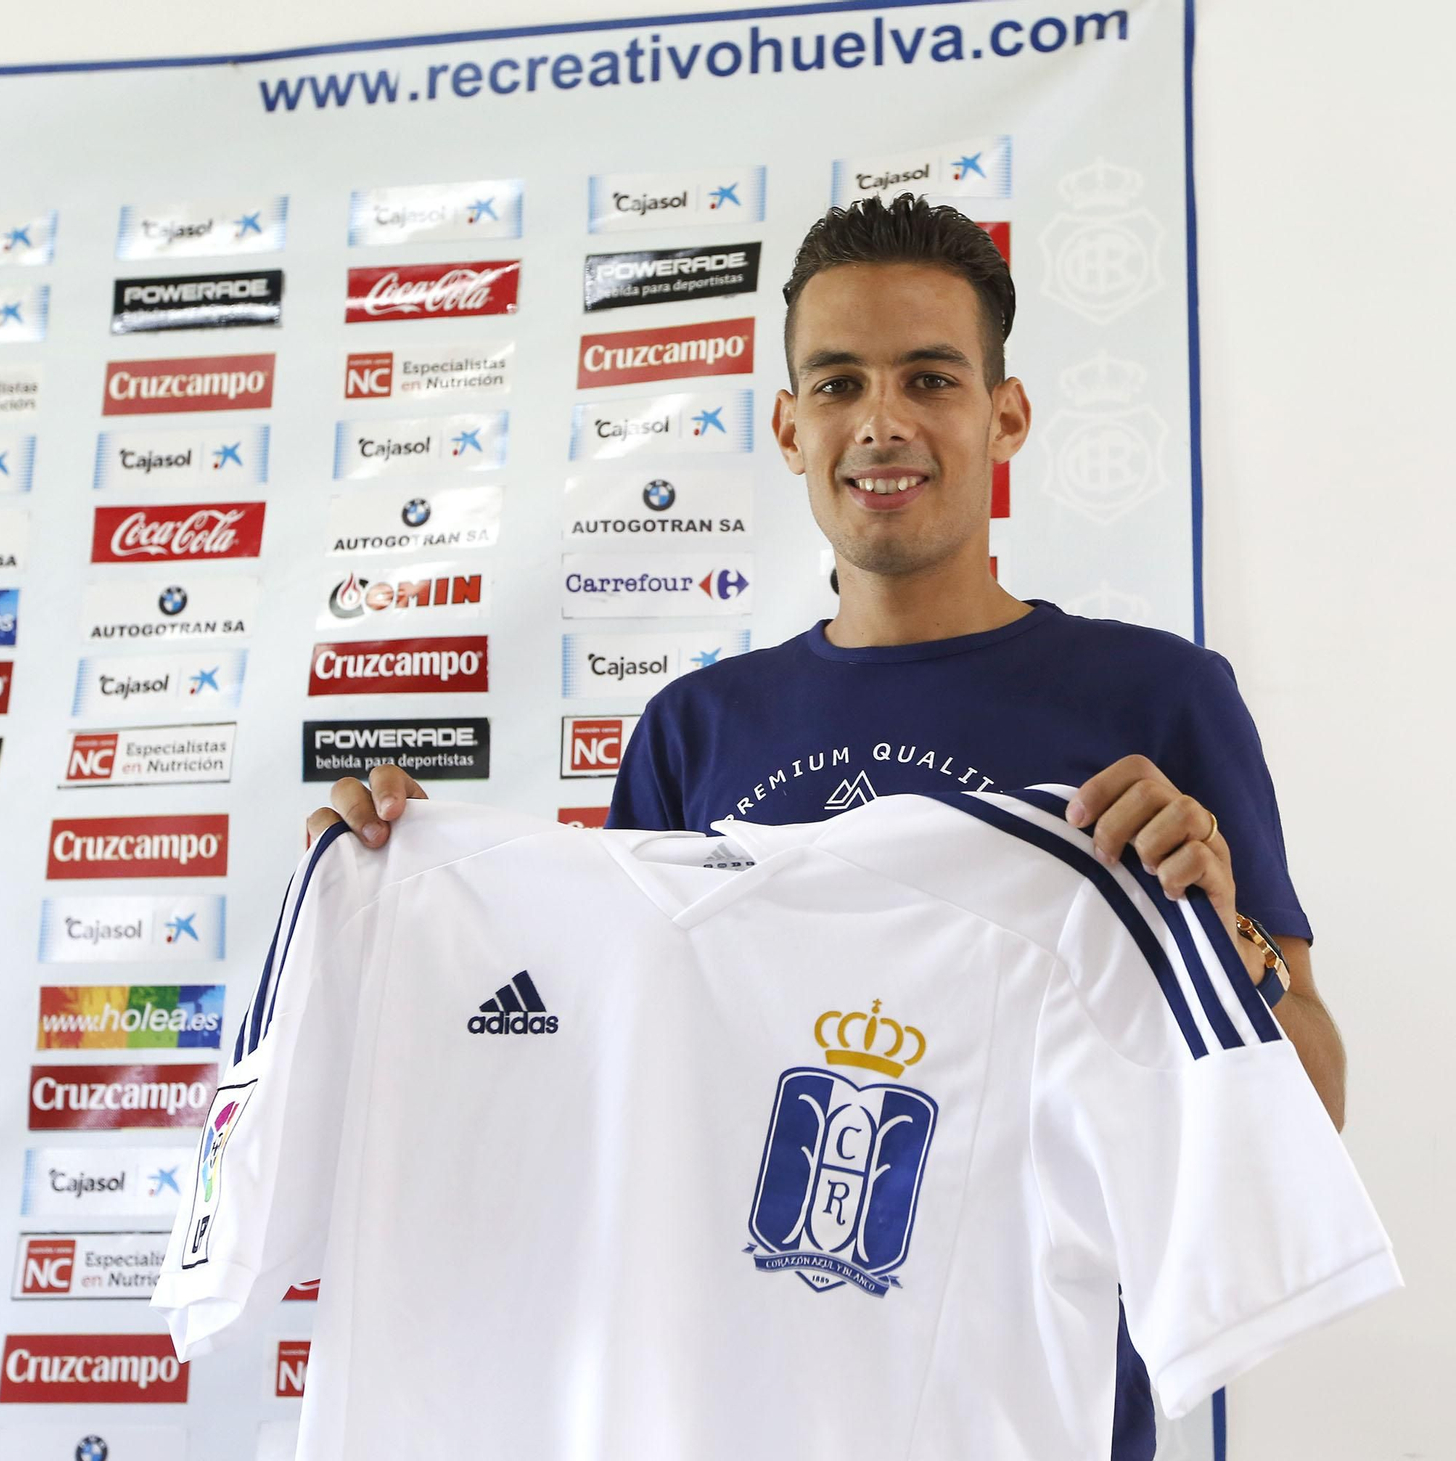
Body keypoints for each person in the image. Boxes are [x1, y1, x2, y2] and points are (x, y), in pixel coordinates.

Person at [307, 193, 1344, 1460]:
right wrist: (401, 906)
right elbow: (596, 1094)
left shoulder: (1155, 699)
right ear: (791, 426)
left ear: (1004, 416)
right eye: (840, 383)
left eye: (930, 378)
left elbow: (1312, 1118)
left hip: (1018, 1406)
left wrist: (1223, 934)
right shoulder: (694, 729)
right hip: (720, 1406)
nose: (883, 422)